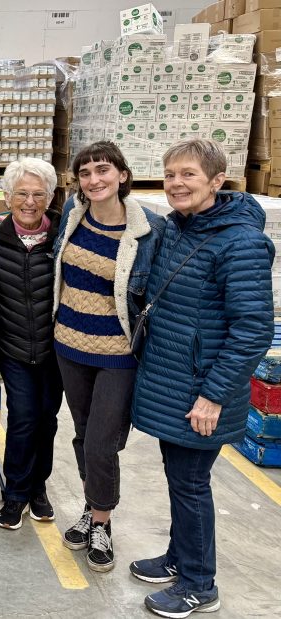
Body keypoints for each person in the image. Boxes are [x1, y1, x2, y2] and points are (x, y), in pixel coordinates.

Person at [130, 138, 274, 618]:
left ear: (216, 181)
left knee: (191, 484)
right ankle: (179, 558)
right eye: (170, 174)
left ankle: (198, 584)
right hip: (176, 381)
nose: (176, 184)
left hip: (202, 389)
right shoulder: (179, 228)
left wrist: (212, 396)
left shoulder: (241, 242)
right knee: (179, 478)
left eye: (188, 174)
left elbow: (252, 330)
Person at [52, 141, 164, 572]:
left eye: (103, 170)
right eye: (85, 172)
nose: (94, 179)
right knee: (82, 432)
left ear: (122, 174)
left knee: (103, 440)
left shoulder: (148, 230)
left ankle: (102, 521)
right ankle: (91, 505)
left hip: (118, 353)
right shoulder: (72, 215)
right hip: (69, 344)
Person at [0, 158, 63, 530]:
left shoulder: (64, 235)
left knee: (48, 421)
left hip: (57, 350)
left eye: (38, 194)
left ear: (49, 197)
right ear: (7, 196)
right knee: (23, 419)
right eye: (21, 194)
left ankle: (38, 488)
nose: (29, 202)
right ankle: (15, 493)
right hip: (14, 347)